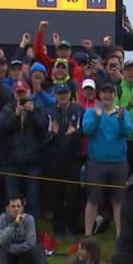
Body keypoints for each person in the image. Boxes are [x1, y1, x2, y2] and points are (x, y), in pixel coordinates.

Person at [82, 82, 133, 238]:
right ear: (100, 95)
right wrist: (97, 118)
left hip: (118, 162)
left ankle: (120, 235)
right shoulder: (92, 111)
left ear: (115, 95)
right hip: (96, 162)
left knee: (118, 200)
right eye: (104, 92)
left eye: (110, 92)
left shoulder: (122, 112)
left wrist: (121, 120)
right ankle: (87, 235)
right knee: (93, 199)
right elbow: (86, 130)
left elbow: (129, 132)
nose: (107, 95)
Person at [0, 80, 49, 217]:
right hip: (11, 161)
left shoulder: (37, 108)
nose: (21, 96)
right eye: (18, 93)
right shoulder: (8, 109)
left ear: (29, 93)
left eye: (23, 92)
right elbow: (0, 131)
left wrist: (33, 114)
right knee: (12, 201)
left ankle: (32, 234)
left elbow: (44, 128)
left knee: (32, 200)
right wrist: (15, 116)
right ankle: (10, 234)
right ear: (14, 94)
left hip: (33, 162)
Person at [42, 83, 85, 242]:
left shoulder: (78, 110)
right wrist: (52, 133)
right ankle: (58, 229)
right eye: (60, 93)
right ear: (55, 95)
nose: (62, 96)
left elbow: (84, 130)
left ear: (70, 94)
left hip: (73, 159)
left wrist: (74, 133)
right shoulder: (48, 112)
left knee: (72, 195)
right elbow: (43, 136)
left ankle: (72, 228)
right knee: (55, 196)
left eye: (65, 93)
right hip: (53, 160)